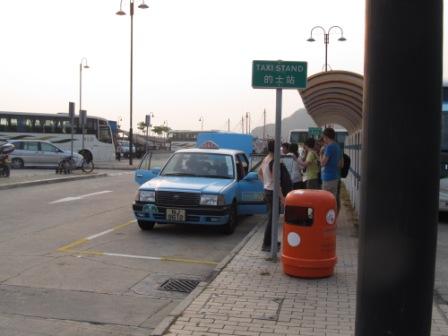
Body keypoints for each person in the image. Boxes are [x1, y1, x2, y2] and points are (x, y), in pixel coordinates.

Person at [258, 139, 283, 252]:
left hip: (267, 190)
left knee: (272, 218)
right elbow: (276, 181)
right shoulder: (274, 161)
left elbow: (259, 173)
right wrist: (282, 197)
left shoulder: (266, 159)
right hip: (273, 192)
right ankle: (266, 244)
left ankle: (272, 241)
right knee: (273, 219)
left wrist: (265, 184)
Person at [319, 127, 342, 211]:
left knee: (326, 202)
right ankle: (333, 222)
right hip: (335, 177)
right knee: (333, 202)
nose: (323, 139)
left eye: (323, 137)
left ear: (326, 136)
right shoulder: (337, 146)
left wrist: (321, 153)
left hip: (328, 178)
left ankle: (327, 222)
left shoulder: (329, 147)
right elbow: (340, 163)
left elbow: (322, 163)